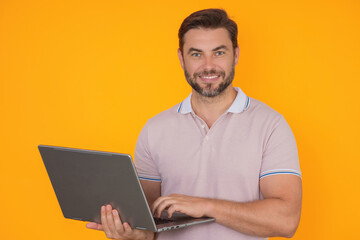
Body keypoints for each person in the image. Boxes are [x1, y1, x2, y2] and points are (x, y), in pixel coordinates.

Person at [86, 8, 302, 240]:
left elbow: (286, 220)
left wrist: (205, 206)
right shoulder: (154, 130)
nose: (208, 66)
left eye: (218, 53)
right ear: (181, 58)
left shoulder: (271, 125)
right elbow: (149, 227)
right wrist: (132, 233)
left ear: (236, 55)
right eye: (196, 54)